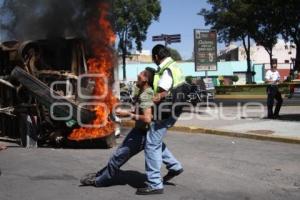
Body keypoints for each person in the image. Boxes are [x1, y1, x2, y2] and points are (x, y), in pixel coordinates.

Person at [80, 68, 156, 187]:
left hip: (143, 134)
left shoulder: (146, 94)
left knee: (118, 157)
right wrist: (127, 111)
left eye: (141, 74)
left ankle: (98, 181)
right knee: (118, 155)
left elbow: (147, 118)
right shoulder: (142, 91)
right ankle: (100, 174)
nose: (138, 75)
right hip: (138, 131)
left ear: (146, 79)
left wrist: (129, 115)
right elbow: (140, 109)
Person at [136, 44, 185, 195]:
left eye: (153, 58)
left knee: (151, 145)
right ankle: (175, 166)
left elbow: (160, 94)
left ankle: (155, 184)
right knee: (155, 141)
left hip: (165, 112)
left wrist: (145, 106)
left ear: (156, 57)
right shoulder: (175, 66)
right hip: (175, 109)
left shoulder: (165, 70)